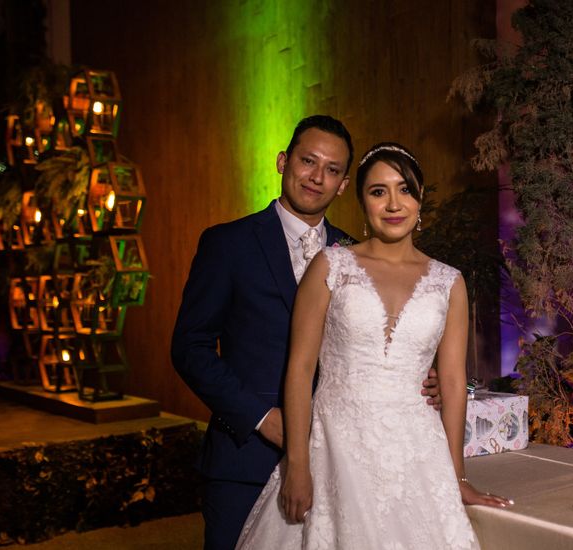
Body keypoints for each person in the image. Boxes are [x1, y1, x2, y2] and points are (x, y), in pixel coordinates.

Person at [171, 117, 444, 550]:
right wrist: (262, 418)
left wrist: (422, 382)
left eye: (332, 169)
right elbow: (190, 348)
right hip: (246, 458)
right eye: (307, 161)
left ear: (342, 185)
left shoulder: (355, 257)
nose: (317, 176)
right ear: (283, 162)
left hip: (342, 463)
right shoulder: (228, 244)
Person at [235, 142, 511, 550]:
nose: (393, 203)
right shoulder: (330, 266)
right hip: (335, 448)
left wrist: (458, 477)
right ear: (362, 201)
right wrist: (297, 463)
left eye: (405, 190)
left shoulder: (449, 282)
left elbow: (452, 384)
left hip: (417, 455)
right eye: (378, 191)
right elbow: (299, 369)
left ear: (419, 200)